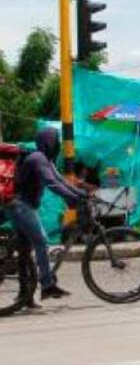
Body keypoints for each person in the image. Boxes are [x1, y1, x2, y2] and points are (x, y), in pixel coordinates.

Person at [5, 128, 88, 301]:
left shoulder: (46, 160)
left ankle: (24, 295)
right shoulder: (38, 158)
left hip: (23, 206)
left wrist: (81, 194)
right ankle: (47, 285)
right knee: (42, 242)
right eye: (56, 140)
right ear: (48, 141)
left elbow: (60, 180)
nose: (57, 144)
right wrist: (73, 198)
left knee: (25, 251)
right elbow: (51, 183)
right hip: (20, 206)